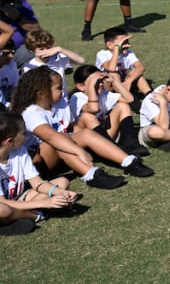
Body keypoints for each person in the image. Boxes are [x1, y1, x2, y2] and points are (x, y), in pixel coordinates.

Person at [12, 66, 153, 189]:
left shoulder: (60, 104)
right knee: (59, 140)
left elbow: (73, 128)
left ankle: (128, 162)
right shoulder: (31, 112)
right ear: (41, 93)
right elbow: (51, 137)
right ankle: (92, 175)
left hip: (66, 153)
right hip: (42, 162)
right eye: (58, 88)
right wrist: (79, 151)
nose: (63, 91)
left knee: (83, 132)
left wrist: (94, 143)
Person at [0, 112, 81, 234]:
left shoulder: (20, 151)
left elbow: (37, 183)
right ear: (9, 141)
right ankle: (37, 215)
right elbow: (3, 202)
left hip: (20, 200)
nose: (27, 136)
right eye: (23, 133)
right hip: (5, 205)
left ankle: (24, 216)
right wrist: (45, 202)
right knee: (3, 210)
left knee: (62, 182)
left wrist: (62, 193)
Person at [95, 27, 152, 108]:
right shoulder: (102, 54)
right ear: (109, 45)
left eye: (127, 42)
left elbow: (140, 67)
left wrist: (128, 81)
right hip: (106, 89)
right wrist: (117, 50)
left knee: (138, 75)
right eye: (123, 43)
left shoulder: (128, 53)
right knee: (113, 75)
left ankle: (151, 97)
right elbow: (111, 68)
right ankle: (135, 104)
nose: (127, 45)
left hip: (124, 85)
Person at [0, 0, 42, 70]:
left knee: (33, 53)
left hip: (17, 51)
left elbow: (37, 32)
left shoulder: (19, 4)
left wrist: (17, 17)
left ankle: (25, 81)